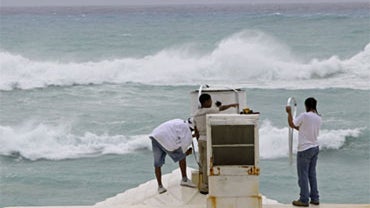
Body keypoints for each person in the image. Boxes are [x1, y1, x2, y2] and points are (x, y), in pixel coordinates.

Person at [193, 93, 239, 194]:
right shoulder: (209, 110)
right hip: (208, 140)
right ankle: (206, 187)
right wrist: (232, 105)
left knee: (203, 162)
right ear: (205, 102)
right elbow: (220, 108)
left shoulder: (196, 113)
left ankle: (205, 184)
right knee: (210, 163)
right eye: (210, 101)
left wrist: (198, 141)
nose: (211, 102)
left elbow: (195, 131)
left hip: (200, 140)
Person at [286, 97, 322, 207]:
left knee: (303, 175)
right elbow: (303, 129)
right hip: (315, 147)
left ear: (306, 106)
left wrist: (289, 112)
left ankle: (304, 199)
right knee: (312, 174)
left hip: (304, 149)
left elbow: (292, 124)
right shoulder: (318, 118)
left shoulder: (304, 116)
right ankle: (315, 198)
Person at [149, 118, 197, 194]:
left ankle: (160, 187)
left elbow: (181, 135)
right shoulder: (187, 130)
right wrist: (187, 152)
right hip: (165, 139)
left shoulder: (180, 122)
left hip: (155, 136)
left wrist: (192, 136)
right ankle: (184, 180)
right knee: (182, 157)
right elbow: (184, 147)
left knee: (157, 163)